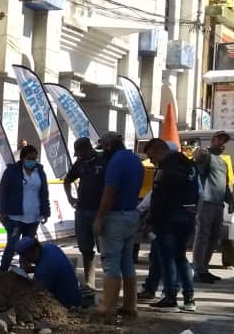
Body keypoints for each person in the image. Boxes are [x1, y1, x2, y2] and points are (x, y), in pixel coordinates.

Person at [92, 131, 144, 319]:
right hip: (131, 214)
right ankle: (130, 305)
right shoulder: (134, 160)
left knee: (111, 262)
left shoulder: (115, 163)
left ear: (107, 146)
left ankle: (108, 306)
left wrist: (99, 217)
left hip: (115, 217)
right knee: (127, 261)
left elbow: (110, 192)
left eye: (102, 148)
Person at [143, 138, 198, 311]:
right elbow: (198, 191)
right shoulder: (190, 166)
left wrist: (151, 221)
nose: (152, 161)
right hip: (188, 216)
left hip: (169, 219)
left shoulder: (165, 169)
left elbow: (160, 198)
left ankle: (170, 297)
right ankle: (189, 299)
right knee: (181, 257)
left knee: (167, 259)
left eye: (152, 157)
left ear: (161, 151)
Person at [63, 137, 108, 289]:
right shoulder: (80, 163)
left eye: (81, 152)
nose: (79, 156)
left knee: (105, 249)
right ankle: (90, 282)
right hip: (82, 210)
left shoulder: (103, 161)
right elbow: (67, 180)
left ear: (88, 148)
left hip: (100, 211)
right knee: (85, 248)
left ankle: (109, 281)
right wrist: (70, 197)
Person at [0, 144, 50, 272]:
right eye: (29, 159)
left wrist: (46, 210)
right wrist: (2, 211)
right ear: (22, 158)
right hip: (15, 216)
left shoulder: (40, 171)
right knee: (12, 245)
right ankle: (3, 271)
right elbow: (3, 192)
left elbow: (44, 192)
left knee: (28, 246)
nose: (32, 161)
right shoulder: (11, 171)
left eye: (34, 159)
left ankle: (24, 269)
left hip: (34, 216)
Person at [192, 131, 233, 283]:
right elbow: (197, 159)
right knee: (202, 235)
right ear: (214, 140)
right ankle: (198, 271)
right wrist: (201, 152)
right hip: (206, 201)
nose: (223, 144)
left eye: (225, 142)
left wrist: (231, 201)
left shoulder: (222, 162)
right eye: (221, 140)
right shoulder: (205, 155)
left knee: (214, 237)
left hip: (218, 204)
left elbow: (225, 184)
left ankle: (204, 268)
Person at [15, 236, 81, 308]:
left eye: (26, 257)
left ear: (34, 251)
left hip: (66, 302)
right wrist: (31, 269)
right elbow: (52, 269)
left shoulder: (44, 269)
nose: (25, 260)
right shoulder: (50, 247)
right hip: (74, 292)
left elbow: (36, 291)